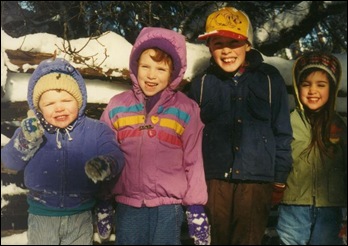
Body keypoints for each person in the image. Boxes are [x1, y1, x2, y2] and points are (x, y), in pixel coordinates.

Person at [187, 7, 293, 245]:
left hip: (256, 181)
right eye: (218, 43)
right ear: (209, 47)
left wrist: (279, 177)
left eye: (234, 42)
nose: (226, 51)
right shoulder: (203, 83)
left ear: (248, 44)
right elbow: (192, 138)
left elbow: (282, 132)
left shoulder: (269, 79)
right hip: (215, 181)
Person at [100, 27, 210, 245]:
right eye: (145, 66)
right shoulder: (118, 106)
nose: (151, 75)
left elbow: (194, 160)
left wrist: (196, 207)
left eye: (160, 69)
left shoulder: (185, 109)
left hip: (168, 208)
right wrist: (103, 200)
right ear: (135, 67)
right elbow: (105, 154)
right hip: (128, 204)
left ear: (173, 73)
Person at [1, 57, 125, 245]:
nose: (59, 107)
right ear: (38, 108)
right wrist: (26, 141)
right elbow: (10, 161)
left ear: (79, 100)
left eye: (66, 100)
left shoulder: (96, 130)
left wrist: (105, 164)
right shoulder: (32, 131)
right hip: (42, 215)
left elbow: (115, 154)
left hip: (80, 215)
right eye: (49, 104)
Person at [276, 51, 347, 245]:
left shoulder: (340, 125)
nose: (312, 91)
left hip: (330, 208)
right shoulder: (288, 122)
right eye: (306, 85)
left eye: (321, 85)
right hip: (293, 206)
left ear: (331, 90)